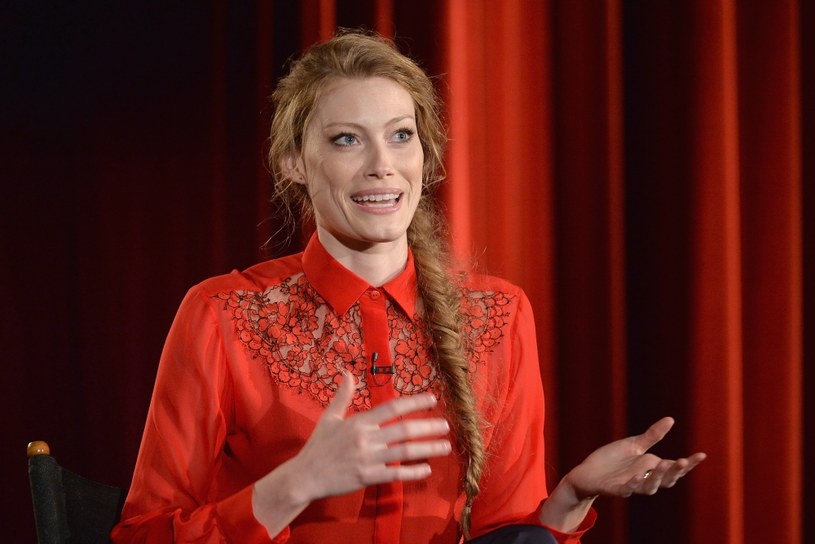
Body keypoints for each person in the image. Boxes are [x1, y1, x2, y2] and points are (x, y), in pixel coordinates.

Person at [111, 31, 705, 543]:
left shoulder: (498, 313)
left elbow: (505, 531)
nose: (382, 165)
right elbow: (142, 534)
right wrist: (296, 484)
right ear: (294, 161)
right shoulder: (221, 313)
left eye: (400, 135)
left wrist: (572, 495)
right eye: (347, 139)